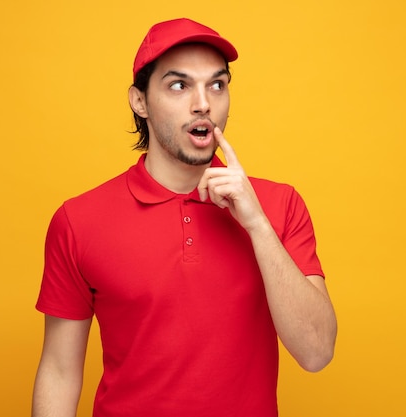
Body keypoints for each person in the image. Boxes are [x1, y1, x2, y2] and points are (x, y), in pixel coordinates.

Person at [32, 17, 337, 417]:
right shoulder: (78, 220)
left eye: (217, 84)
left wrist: (258, 225)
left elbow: (316, 352)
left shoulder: (279, 205)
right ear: (139, 101)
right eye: (179, 85)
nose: (203, 104)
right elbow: (58, 371)